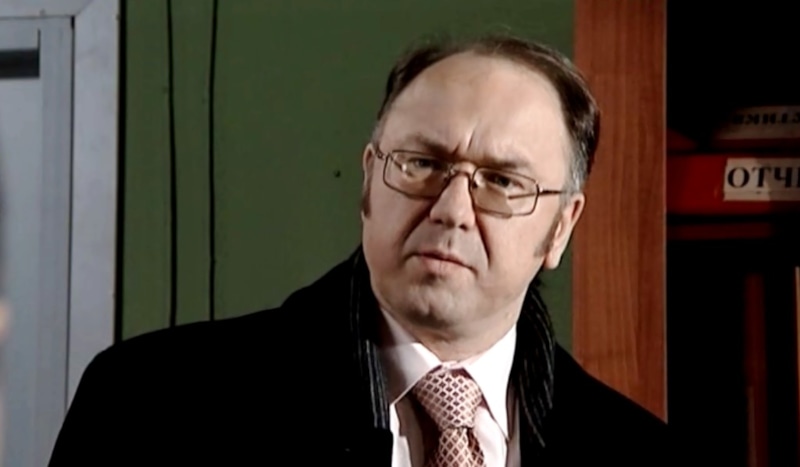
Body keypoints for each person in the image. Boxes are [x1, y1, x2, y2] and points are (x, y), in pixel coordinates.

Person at [49, 34, 667, 466]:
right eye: (422, 164)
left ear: (560, 228)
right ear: (369, 179)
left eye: (503, 182)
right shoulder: (148, 403)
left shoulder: (636, 451)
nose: (451, 209)